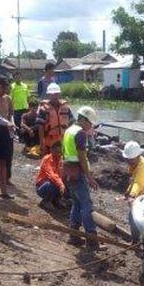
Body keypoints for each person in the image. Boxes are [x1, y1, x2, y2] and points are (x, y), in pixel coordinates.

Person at [62, 106, 102, 250]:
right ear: (83, 119)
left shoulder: (68, 130)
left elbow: (65, 153)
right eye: (90, 123)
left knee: (76, 204)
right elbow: (82, 158)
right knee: (86, 206)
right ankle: (92, 240)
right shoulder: (80, 133)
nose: (90, 126)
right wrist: (89, 177)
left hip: (69, 172)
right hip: (78, 172)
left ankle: (74, 236)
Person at [36, 82, 72, 154]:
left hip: (63, 138)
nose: (54, 96)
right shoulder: (43, 109)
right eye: (52, 94)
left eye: (56, 94)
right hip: (49, 140)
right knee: (49, 160)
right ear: (48, 95)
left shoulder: (66, 107)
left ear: (59, 94)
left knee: (62, 160)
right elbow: (41, 127)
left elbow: (72, 123)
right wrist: (41, 142)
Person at [36, 141, 65, 210]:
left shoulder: (60, 160)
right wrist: (61, 184)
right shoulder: (47, 159)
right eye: (57, 151)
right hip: (42, 186)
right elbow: (52, 174)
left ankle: (55, 200)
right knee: (52, 183)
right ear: (51, 150)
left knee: (66, 181)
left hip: (53, 183)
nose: (58, 154)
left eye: (60, 152)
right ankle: (45, 201)